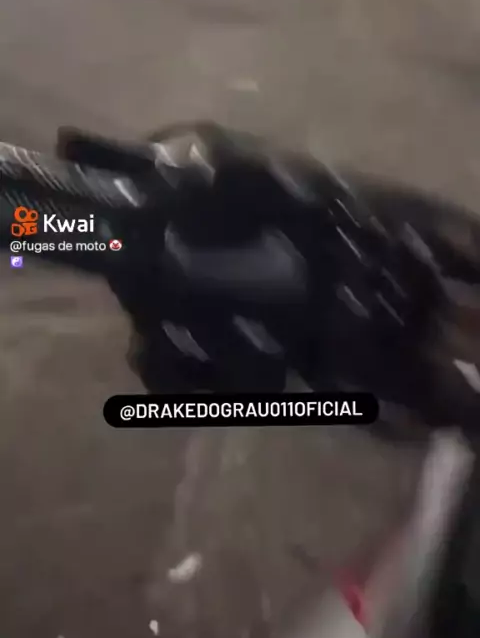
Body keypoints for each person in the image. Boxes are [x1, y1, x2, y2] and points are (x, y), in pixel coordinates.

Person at [1, 122, 480, 432]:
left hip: (180, 251)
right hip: (181, 241)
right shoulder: (400, 274)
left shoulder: (383, 346)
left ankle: (45, 202)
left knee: (89, 225)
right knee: (91, 222)